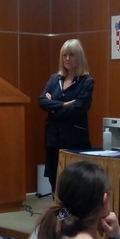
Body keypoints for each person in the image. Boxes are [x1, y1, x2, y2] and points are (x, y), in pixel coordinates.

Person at [38, 39, 94, 192]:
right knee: (54, 179)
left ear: (79, 57)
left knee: (74, 181)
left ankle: (71, 208)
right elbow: (42, 101)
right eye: (64, 55)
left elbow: (79, 108)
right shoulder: (54, 79)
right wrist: (63, 105)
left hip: (74, 140)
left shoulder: (86, 81)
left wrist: (53, 107)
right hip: (53, 139)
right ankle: (58, 207)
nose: (67, 58)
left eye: (71, 55)